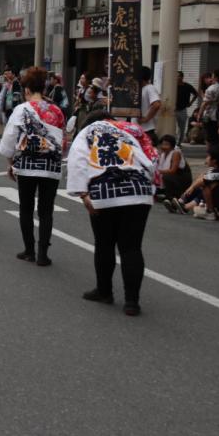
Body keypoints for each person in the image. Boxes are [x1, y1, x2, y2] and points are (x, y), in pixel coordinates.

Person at [67, 115, 157, 316]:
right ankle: (132, 302)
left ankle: (104, 291)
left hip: (104, 191)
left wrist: (83, 193)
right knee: (132, 247)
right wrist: (151, 186)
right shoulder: (129, 131)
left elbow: (78, 161)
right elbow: (151, 159)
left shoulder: (88, 132)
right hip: (137, 189)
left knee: (104, 243)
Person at [0, 67, 66, 266]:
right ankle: (43, 254)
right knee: (46, 211)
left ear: (27, 89)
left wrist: (11, 163)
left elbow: (10, 140)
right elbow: (62, 141)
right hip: (51, 166)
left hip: (27, 165)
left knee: (26, 208)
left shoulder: (22, 109)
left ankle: (29, 250)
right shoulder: (56, 111)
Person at [156, 134, 191, 201]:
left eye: (166, 145)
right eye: (162, 144)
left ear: (172, 146)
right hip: (173, 177)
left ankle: (173, 196)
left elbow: (173, 170)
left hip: (181, 178)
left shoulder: (176, 153)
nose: (164, 147)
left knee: (166, 176)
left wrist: (158, 171)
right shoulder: (163, 154)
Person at [201, 68, 219, 145]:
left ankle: (210, 154)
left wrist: (200, 114)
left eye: (212, 75)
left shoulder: (211, 88)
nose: (211, 77)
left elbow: (205, 103)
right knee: (217, 136)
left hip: (209, 115)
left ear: (216, 77)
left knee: (209, 136)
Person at [137, 66, 162, 144]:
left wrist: (146, 119)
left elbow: (157, 104)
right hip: (138, 128)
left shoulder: (149, 88)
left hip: (146, 129)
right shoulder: (140, 89)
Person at [174, 71, 198, 141]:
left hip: (182, 109)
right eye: (176, 76)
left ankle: (179, 142)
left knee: (181, 127)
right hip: (173, 109)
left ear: (182, 77)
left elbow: (196, 94)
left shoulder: (187, 86)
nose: (177, 77)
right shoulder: (173, 86)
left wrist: (191, 103)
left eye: (178, 76)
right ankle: (174, 142)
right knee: (171, 127)